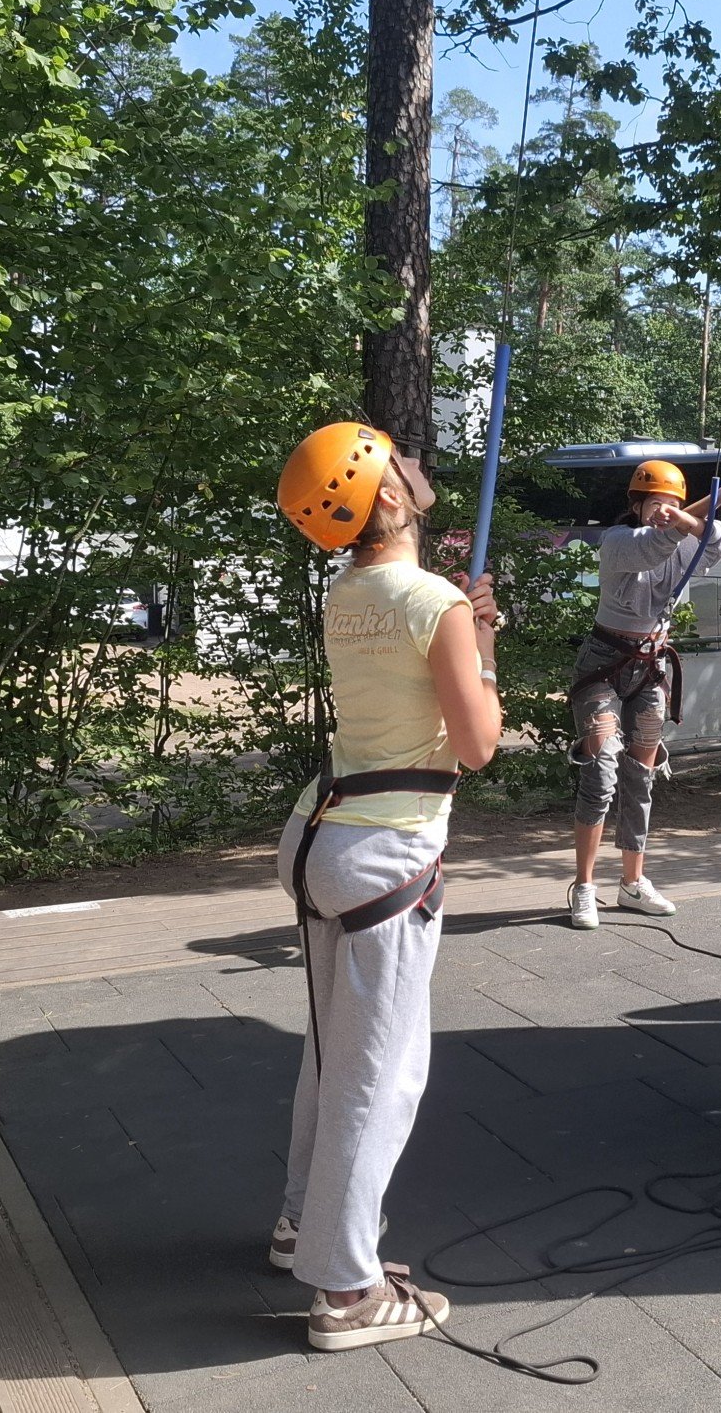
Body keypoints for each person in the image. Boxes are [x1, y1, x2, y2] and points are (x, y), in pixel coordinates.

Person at [268, 423, 501, 1352]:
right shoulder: (432, 600)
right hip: (384, 852)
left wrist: (469, 627)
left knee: (333, 1052)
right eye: (400, 460)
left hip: (321, 833)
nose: (414, 465)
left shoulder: (348, 592)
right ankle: (347, 1292)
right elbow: (477, 745)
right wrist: (480, 644)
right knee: (380, 1072)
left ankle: (303, 1224)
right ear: (392, 498)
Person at [566, 460, 721, 930]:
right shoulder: (618, 541)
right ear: (636, 506)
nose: (662, 511)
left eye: (672, 504)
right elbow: (655, 545)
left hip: (649, 665)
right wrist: (711, 501)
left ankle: (632, 883)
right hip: (603, 663)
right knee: (601, 772)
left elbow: (715, 539)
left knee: (640, 777)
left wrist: (714, 503)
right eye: (653, 504)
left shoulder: (686, 543)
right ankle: (583, 886)